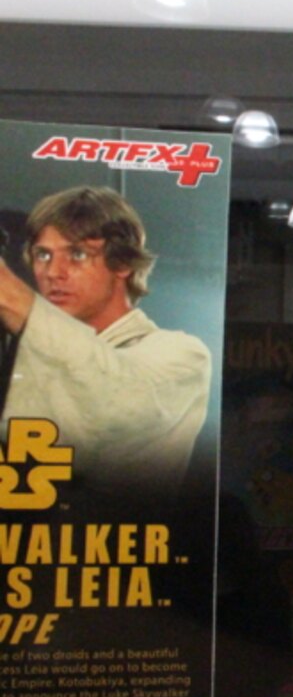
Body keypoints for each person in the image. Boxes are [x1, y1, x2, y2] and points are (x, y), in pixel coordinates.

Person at [0, 186, 211, 496]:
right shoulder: (22, 353)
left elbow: (115, 406)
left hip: (118, 528)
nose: (53, 272)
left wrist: (11, 298)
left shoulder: (182, 356)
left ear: (123, 263)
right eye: (43, 255)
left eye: (77, 254)